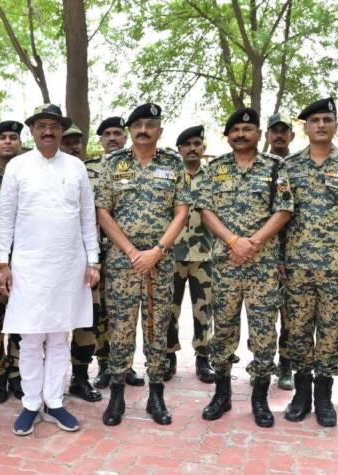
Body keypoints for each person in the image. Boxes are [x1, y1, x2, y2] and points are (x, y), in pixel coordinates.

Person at [0, 104, 100, 436]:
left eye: (54, 126)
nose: (48, 131)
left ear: (62, 131)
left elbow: (87, 217)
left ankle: (54, 402)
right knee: (30, 338)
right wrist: (2, 263)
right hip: (29, 267)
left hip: (68, 265)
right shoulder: (18, 167)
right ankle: (30, 404)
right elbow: (6, 219)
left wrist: (93, 260)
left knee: (59, 337)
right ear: (32, 131)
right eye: (41, 125)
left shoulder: (76, 167)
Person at [196, 109, 293, 428]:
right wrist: (234, 241)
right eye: (235, 129)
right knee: (223, 329)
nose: (240, 134)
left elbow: (284, 209)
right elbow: (205, 209)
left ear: (258, 134)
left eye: (247, 129)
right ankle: (221, 394)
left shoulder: (275, 167)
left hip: (262, 266)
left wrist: (253, 243)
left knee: (264, 332)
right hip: (226, 264)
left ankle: (259, 398)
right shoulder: (216, 168)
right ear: (228, 136)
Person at [96, 103, 191, 426]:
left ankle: (156, 395)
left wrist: (157, 250)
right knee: (120, 328)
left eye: (150, 125)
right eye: (137, 125)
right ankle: (117, 395)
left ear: (159, 130)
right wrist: (132, 252)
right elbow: (102, 212)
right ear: (130, 130)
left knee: (156, 328)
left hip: (159, 263)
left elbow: (182, 212)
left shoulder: (173, 164)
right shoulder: (113, 164)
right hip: (123, 262)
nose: (143, 130)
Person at [282, 97, 338, 427]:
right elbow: (280, 215)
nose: (321, 125)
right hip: (297, 264)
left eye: (327, 119)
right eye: (315, 120)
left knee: (331, 332)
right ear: (305, 127)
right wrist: (279, 258)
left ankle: (323, 397)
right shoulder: (289, 166)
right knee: (298, 330)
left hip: (337, 266)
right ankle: (301, 394)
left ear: (335, 126)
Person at [91, 115, 145, 389]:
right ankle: (104, 364)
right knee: (101, 311)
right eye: (107, 134)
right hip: (94, 253)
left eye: (117, 134)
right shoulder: (87, 169)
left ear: (125, 137)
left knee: (125, 312)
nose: (112, 138)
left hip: (124, 254)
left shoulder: (135, 165)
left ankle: (125, 364)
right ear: (101, 140)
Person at [60, 123, 105, 403]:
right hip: (54, 260)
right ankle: (47, 381)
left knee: (87, 320)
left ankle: (80, 377)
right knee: (50, 324)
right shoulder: (44, 171)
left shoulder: (92, 173)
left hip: (86, 257)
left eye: (78, 141)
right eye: (68, 141)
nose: (74, 146)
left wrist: (95, 259)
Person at [168, 125, 215, 384]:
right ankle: (168, 355)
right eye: (187, 145)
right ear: (180, 150)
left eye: (197, 144)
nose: (192, 148)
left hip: (204, 255)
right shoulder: (170, 177)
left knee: (203, 309)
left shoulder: (213, 177)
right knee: (169, 309)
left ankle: (203, 358)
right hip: (172, 255)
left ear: (203, 148)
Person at [0, 120, 25, 403]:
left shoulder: (29, 172)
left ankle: (17, 373)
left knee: (22, 319)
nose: (8, 142)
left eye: (13, 137)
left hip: (24, 258)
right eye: (2, 138)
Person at [265, 113, 296, 390]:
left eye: (284, 131)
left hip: (293, 254)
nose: (279, 135)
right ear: (267, 136)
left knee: (289, 314)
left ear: (291, 136)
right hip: (263, 254)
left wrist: (286, 255)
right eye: (274, 131)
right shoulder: (260, 166)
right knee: (262, 314)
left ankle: (286, 364)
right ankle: (262, 364)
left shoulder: (298, 167)